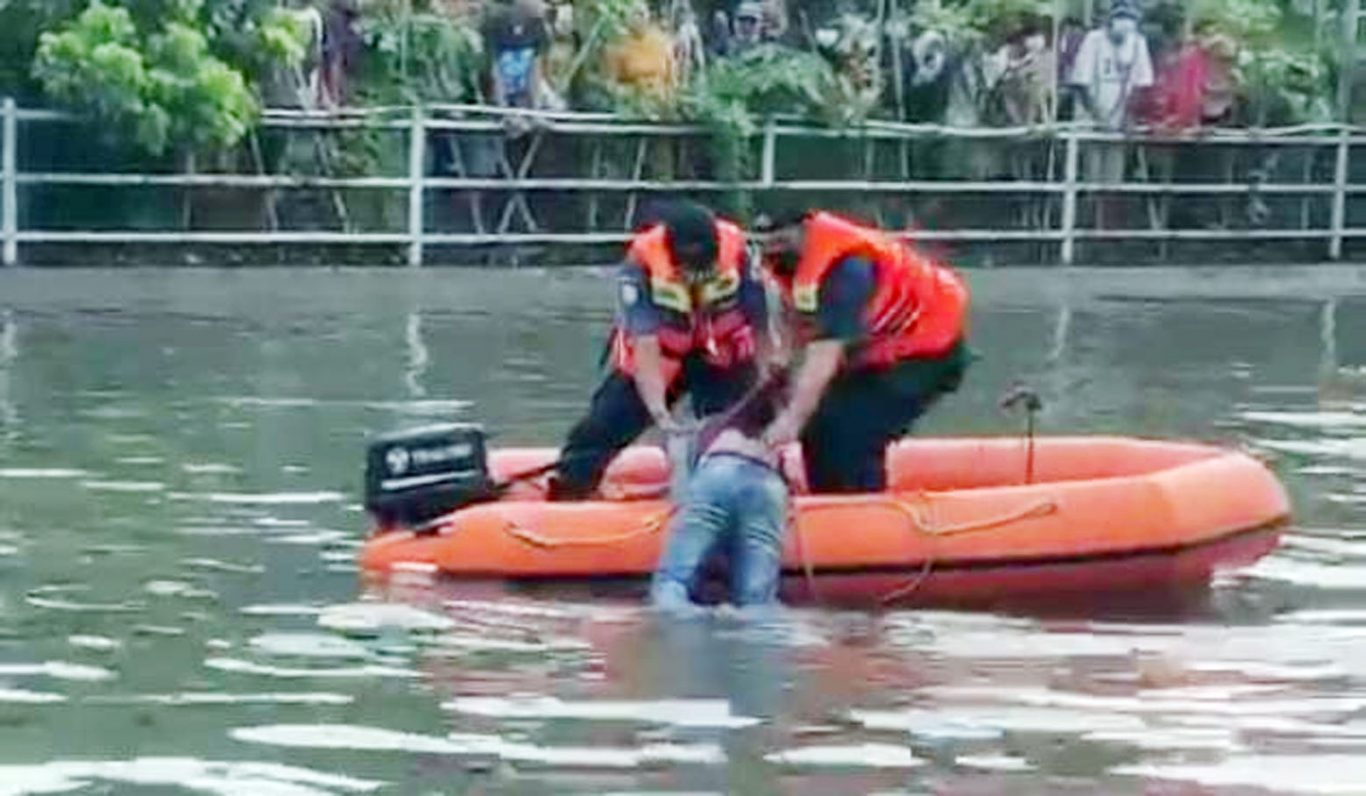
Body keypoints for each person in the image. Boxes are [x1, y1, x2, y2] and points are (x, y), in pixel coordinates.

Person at [548, 201, 770, 501]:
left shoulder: (740, 254)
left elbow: (760, 322)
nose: (695, 275)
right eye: (688, 268)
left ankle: (747, 490)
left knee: (740, 426)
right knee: (601, 426)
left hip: (722, 355)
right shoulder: (641, 264)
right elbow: (644, 341)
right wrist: (659, 412)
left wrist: (767, 381)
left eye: (704, 267)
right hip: (661, 356)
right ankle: (571, 491)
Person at [758, 210, 971, 494]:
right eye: (768, 242)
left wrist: (790, 420)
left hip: (929, 349)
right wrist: (781, 363)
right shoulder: (788, 266)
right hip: (878, 350)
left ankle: (867, 507)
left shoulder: (847, 271)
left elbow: (825, 355)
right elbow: (793, 317)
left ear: (806, 229)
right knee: (819, 425)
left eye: (782, 239)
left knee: (853, 429)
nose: (774, 249)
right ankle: (827, 504)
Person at [650, 373, 790, 612]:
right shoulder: (782, 432)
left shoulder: (713, 426)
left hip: (717, 473)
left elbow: (684, 485)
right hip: (767, 483)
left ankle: (683, 623)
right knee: (757, 600)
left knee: (673, 583)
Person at [1068, 0, 1154, 228]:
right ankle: (1085, 227)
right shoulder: (1093, 41)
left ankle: (1107, 230)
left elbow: (1142, 84)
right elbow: (1081, 83)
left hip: (1120, 123)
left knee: (1113, 180)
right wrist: (1098, 117)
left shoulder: (1137, 43)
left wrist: (1127, 116)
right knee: (1091, 176)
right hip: (1092, 121)